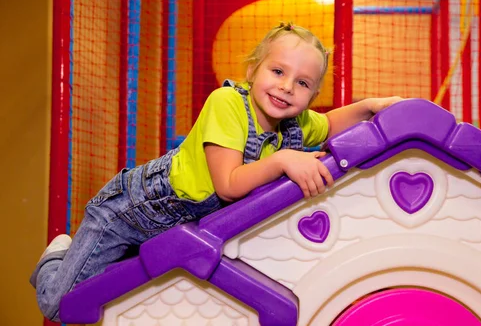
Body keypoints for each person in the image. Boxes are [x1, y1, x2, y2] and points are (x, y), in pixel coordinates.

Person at [31, 22, 402, 322]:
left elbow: (331, 123)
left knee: (117, 301)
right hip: (124, 215)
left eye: (302, 83)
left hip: (167, 232)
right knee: (61, 306)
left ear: (313, 93)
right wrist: (284, 160)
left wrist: (370, 107)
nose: (287, 87)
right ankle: (58, 253)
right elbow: (228, 185)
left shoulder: (295, 122)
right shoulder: (227, 103)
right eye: (277, 71)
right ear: (252, 70)